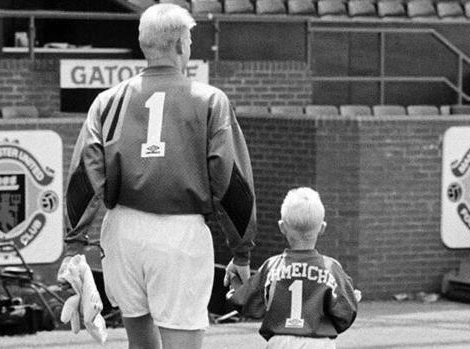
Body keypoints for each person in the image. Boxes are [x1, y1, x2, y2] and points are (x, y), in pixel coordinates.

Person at [58, 4, 257, 349]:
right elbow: (230, 180)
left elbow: (85, 175)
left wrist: (74, 245)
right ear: (181, 45)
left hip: (122, 230)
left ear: (143, 44)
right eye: (190, 40)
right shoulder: (211, 100)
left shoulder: (107, 100)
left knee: (141, 345)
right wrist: (241, 251)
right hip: (178, 233)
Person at [228, 187, 358, 349]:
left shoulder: (272, 266)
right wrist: (352, 298)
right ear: (322, 228)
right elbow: (346, 313)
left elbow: (246, 303)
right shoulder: (331, 268)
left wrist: (234, 282)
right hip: (318, 342)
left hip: (280, 341)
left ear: (282, 227)